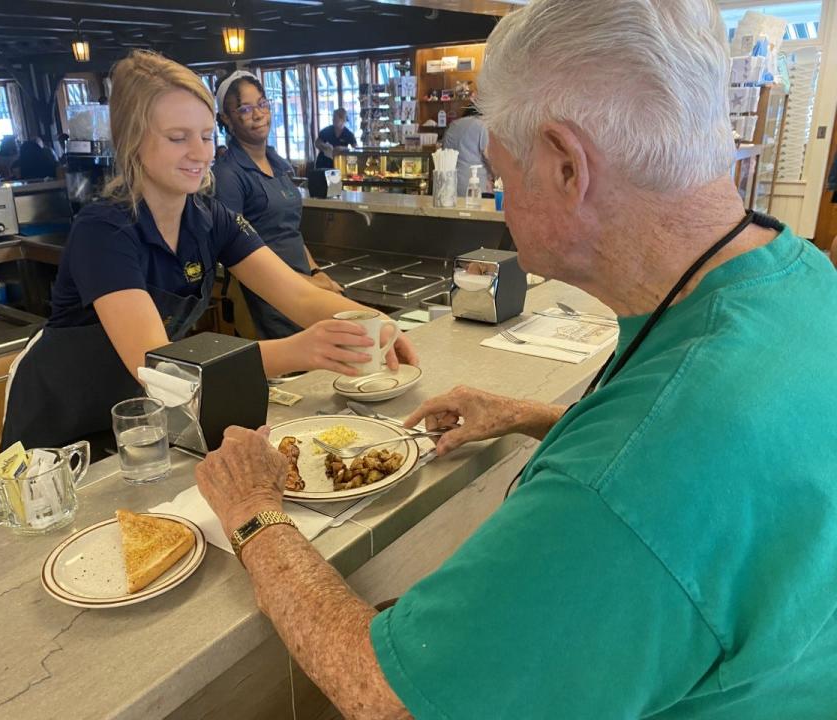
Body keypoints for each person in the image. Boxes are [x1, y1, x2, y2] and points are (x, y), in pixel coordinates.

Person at [193, 1, 837, 717]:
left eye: (502, 170)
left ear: (566, 165)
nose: (500, 198)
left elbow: (389, 698)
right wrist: (538, 417)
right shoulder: (799, 274)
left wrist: (254, 514)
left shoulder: (634, 475)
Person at [1, 51, 416, 451]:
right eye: (178, 138)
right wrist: (300, 350)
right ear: (132, 140)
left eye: (205, 135)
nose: (201, 153)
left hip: (139, 420)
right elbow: (159, 366)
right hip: (55, 428)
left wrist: (380, 325)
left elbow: (301, 295)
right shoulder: (105, 231)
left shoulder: (209, 218)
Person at [214, 71, 343, 341]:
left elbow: (291, 233)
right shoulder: (228, 175)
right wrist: (306, 284)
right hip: (264, 299)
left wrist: (317, 274)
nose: (258, 114)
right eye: (245, 109)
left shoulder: (277, 164)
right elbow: (233, 252)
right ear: (226, 119)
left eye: (262, 104)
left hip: (302, 290)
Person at [441, 104, 492, 197]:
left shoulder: (453, 125)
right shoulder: (481, 125)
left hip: (449, 185)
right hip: (476, 185)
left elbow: (444, 152)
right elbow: (490, 156)